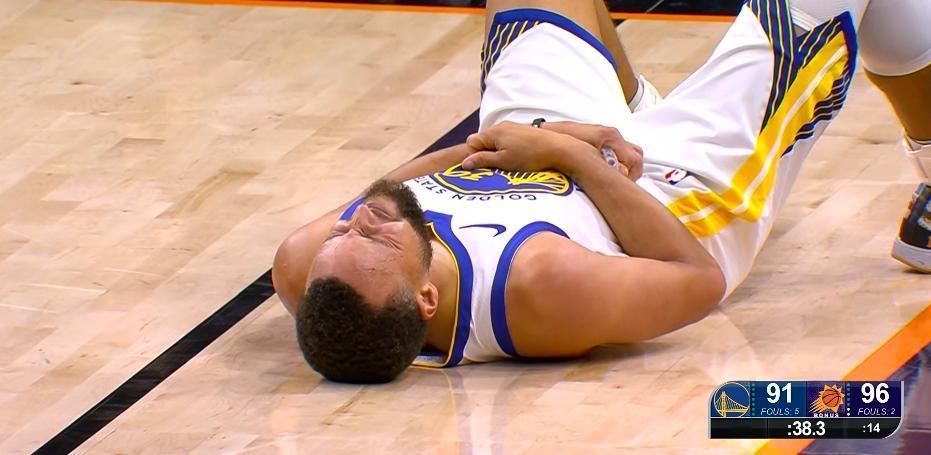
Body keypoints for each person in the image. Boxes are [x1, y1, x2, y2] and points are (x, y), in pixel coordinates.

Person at [272, 0, 931, 383]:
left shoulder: (313, 269)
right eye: (375, 238)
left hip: (532, 149)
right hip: (669, 192)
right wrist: (571, 156)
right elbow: (697, 280)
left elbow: (382, 199)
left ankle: (629, 107)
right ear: (426, 298)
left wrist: (511, 142)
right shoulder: (539, 288)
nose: (361, 218)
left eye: (344, 228)